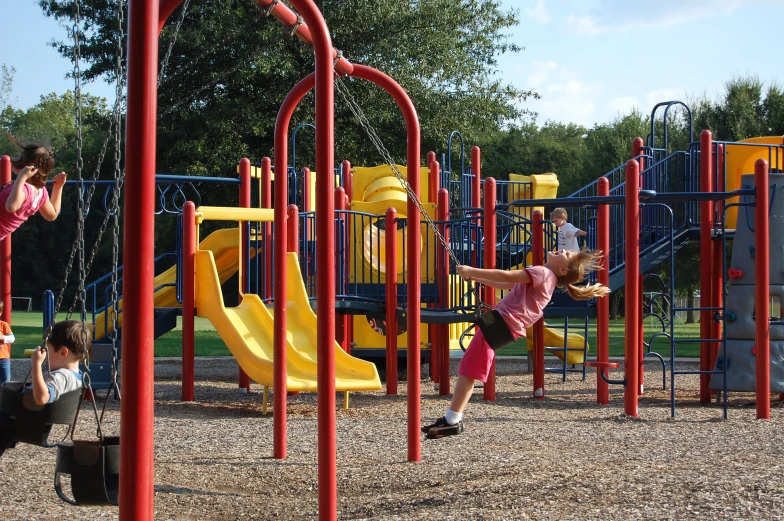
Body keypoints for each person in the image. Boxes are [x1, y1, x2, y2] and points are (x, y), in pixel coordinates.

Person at [422, 249, 610, 439]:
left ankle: (452, 420)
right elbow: (506, 282)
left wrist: (473, 270)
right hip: (504, 326)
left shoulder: (543, 273)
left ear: (562, 269)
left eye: (567, 255)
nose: (563, 250)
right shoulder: (545, 277)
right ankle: (452, 418)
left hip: (501, 324)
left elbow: (505, 274)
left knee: (469, 370)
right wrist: (477, 278)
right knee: (469, 369)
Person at [0, 320, 89, 457]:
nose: (44, 354)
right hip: (20, 420)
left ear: (63, 352)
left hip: (18, 422)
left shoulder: (62, 376)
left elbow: (42, 398)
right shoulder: (76, 375)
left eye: (47, 350)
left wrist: (36, 364)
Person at [0, 136, 67, 241]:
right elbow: (52, 215)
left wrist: (21, 178)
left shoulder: (24, 189)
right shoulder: (41, 193)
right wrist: (58, 188)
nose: (17, 159)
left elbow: (11, 207)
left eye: (22, 158)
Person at [0, 300, 16, 384]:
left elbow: (12, 338)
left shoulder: (3, 325)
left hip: (3, 358)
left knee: (6, 381)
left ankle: (4, 396)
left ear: (0, 313)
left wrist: (2, 337)